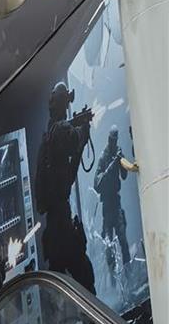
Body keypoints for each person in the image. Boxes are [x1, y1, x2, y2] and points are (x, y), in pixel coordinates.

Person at [34, 81, 96, 292]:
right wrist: (83, 129)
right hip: (61, 218)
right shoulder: (61, 130)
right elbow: (73, 141)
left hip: (54, 222)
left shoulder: (48, 136)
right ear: (64, 103)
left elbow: (67, 176)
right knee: (84, 275)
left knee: (59, 285)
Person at [93, 126, 138, 270]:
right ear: (109, 139)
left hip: (116, 203)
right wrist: (110, 167)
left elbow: (124, 176)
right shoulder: (103, 157)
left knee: (123, 240)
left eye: (115, 140)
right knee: (109, 244)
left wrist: (121, 161)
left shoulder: (117, 153)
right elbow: (97, 184)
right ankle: (113, 274)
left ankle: (128, 271)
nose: (113, 142)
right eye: (111, 140)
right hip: (107, 206)